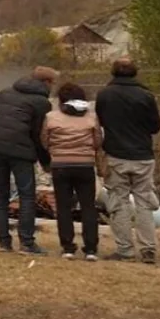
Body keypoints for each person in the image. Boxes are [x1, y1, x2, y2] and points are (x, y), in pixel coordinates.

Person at [0, 66, 58, 255]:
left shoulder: (5, 93)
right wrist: (45, 162)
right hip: (22, 152)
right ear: (47, 82)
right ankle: (27, 243)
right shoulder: (42, 103)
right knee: (26, 196)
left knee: (1, 194)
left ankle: (4, 242)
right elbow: (39, 135)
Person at [95, 58, 160, 264]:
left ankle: (125, 250)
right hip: (143, 156)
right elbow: (155, 126)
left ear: (113, 72)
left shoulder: (104, 95)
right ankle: (148, 249)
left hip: (116, 155)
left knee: (119, 203)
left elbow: (100, 121)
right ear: (135, 72)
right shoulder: (146, 95)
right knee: (144, 203)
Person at [40, 82, 103, 261]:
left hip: (60, 165)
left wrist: (57, 150)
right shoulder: (92, 117)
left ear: (61, 99)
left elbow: (44, 140)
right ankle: (91, 249)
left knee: (63, 207)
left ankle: (68, 247)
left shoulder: (51, 117)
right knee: (88, 207)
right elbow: (98, 141)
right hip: (85, 166)